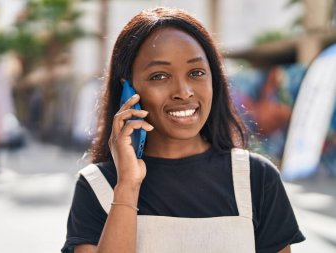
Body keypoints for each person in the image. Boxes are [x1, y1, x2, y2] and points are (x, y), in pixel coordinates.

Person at [62, 7, 305, 253]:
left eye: (196, 72)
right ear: (129, 89)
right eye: (159, 76)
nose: (184, 91)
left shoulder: (257, 179)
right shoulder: (97, 185)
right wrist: (127, 187)